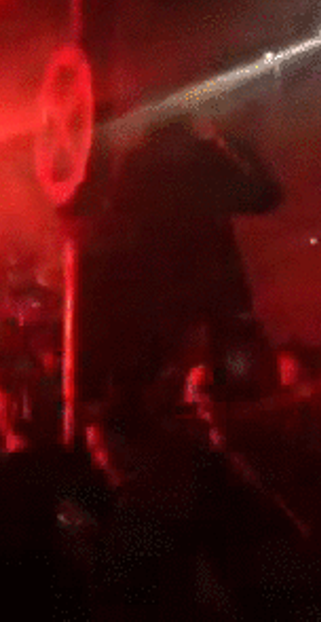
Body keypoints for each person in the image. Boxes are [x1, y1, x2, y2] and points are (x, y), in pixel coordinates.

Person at [81, 116, 283, 410]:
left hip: (161, 295)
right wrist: (235, 145)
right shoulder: (201, 161)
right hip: (209, 288)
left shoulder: (138, 168)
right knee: (235, 380)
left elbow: (112, 227)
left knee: (158, 381)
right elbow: (265, 196)